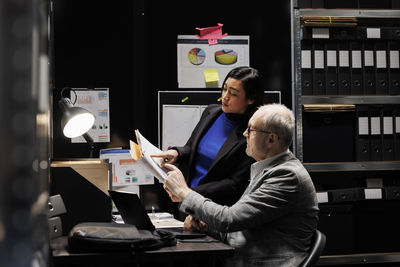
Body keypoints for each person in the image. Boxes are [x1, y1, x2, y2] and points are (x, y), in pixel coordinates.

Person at [163, 103, 319, 267]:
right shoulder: (270, 168)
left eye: (251, 130)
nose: (244, 134)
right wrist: (206, 225)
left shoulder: (287, 176)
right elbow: (241, 229)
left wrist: (183, 191)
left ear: (271, 139)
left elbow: (229, 220)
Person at [153, 66, 264, 210]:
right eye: (224, 89)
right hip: (185, 201)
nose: (225, 96)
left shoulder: (253, 133)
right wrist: (176, 153)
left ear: (251, 99)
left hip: (216, 209)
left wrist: (188, 193)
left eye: (233, 94)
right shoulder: (212, 112)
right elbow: (191, 148)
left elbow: (233, 184)